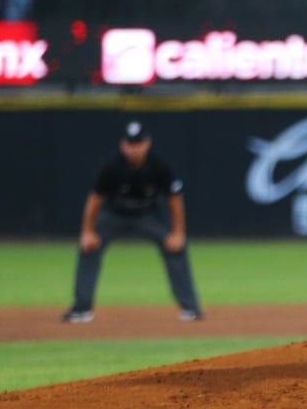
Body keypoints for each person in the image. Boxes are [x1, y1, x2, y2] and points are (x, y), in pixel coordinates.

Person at [61, 121, 204, 323]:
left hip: (149, 215)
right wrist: (88, 231)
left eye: (138, 143)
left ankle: (191, 307)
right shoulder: (111, 167)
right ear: (122, 145)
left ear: (148, 143)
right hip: (114, 214)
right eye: (129, 143)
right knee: (89, 247)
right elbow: (95, 199)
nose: (133, 148)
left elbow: (175, 198)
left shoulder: (159, 166)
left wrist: (178, 232)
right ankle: (82, 308)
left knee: (175, 247)